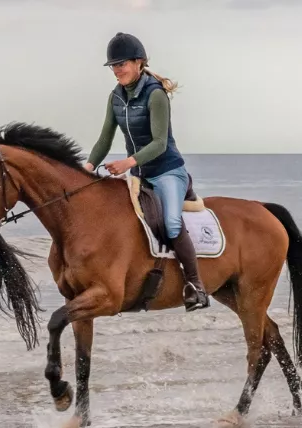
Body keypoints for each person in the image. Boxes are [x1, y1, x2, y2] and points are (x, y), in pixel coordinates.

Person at [82, 32, 210, 311]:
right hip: (139, 175)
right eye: (113, 66)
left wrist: (127, 163)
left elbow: (160, 142)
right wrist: (88, 167)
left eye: (122, 64)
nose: (117, 71)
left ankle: (195, 286)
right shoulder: (115, 97)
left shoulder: (156, 94)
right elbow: (105, 138)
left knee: (172, 223)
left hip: (167, 171)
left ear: (138, 62)